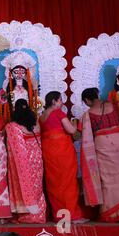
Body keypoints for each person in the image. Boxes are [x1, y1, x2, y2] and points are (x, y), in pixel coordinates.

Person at [80, 87, 119, 222]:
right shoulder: (112, 105)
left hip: (103, 144)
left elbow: (83, 134)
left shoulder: (88, 114)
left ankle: (112, 213)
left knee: (108, 179)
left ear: (87, 100)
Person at [39, 91, 87, 223]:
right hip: (61, 149)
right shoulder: (58, 113)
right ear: (54, 101)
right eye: (60, 100)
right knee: (67, 181)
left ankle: (59, 215)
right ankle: (72, 215)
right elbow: (71, 131)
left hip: (48, 150)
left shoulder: (42, 116)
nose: (62, 103)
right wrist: (76, 123)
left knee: (54, 183)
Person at [5, 99, 46, 223]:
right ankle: (39, 214)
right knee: (37, 187)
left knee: (25, 185)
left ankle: (26, 215)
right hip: (37, 159)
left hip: (25, 161)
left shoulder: (13, 126)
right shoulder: (36, 123)